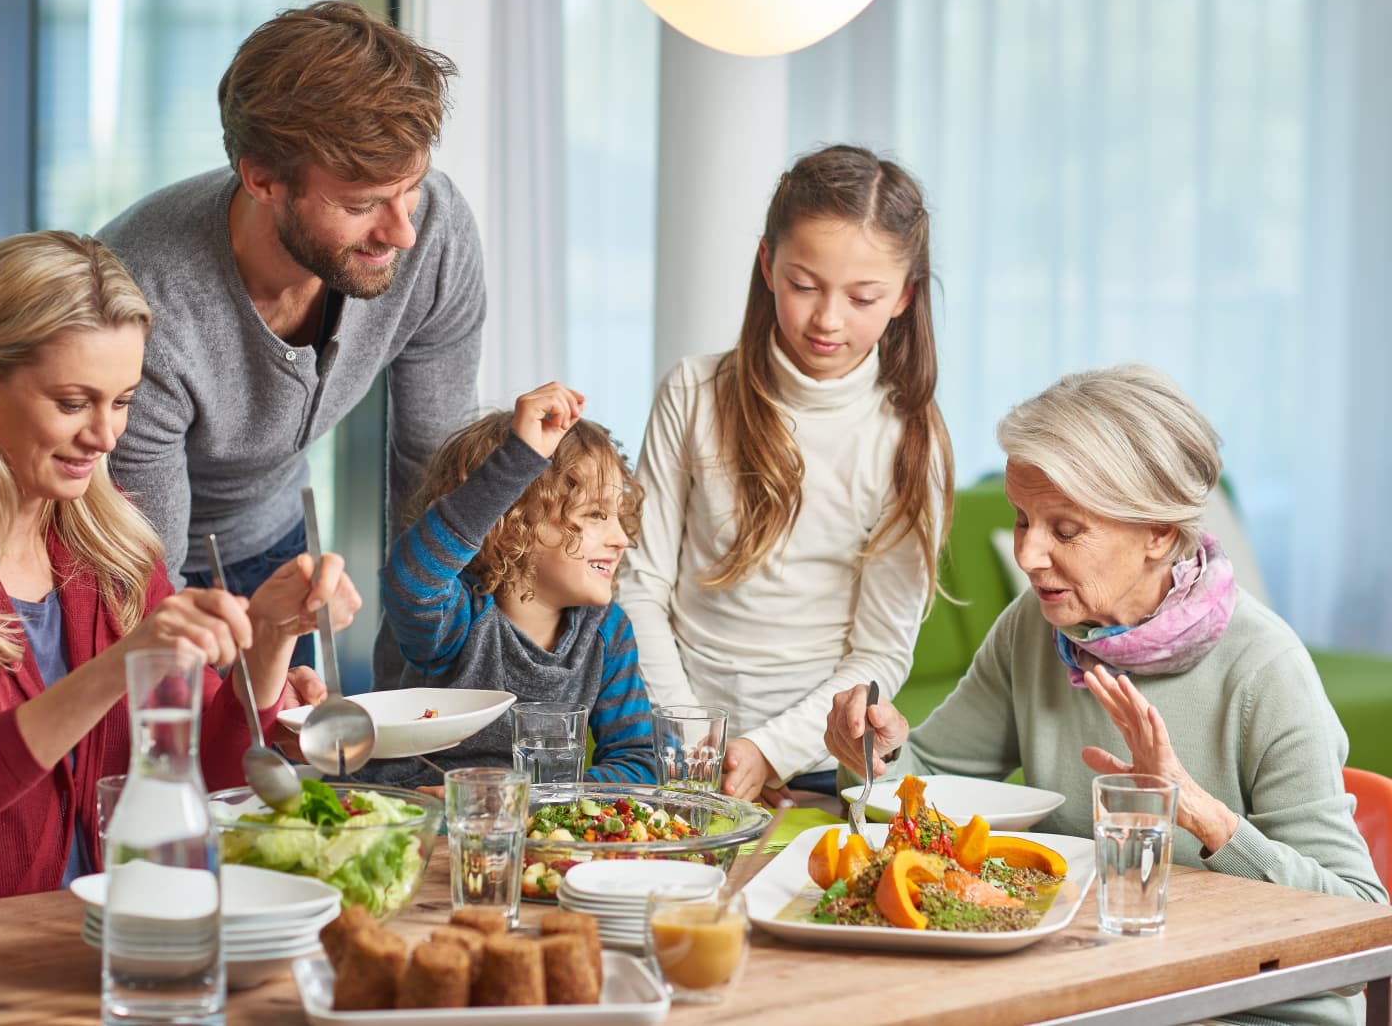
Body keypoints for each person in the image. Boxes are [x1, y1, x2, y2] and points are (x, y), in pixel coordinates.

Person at [0, 231, 360, 920]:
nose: (106, 435)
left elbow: (201, 774)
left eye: (121, 400)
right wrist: (121, 667)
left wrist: (269, 639)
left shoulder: (111, 537)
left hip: (102, 943)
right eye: (73, 403)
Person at [825, 364, 1385, 1026]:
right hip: (1088, 990)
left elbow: (1361, 913)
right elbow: (934, 782)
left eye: (1064, 530)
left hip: (1248, 1008)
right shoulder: (1033, 631)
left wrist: (1198, 812)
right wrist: (878, 756)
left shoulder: (1267, 669)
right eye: (1022, 519)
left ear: (1155, 532)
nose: (1029, 553)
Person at [98, 0, 484, 675]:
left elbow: (433, 479)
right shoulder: (144, 300)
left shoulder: (436, 234)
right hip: (125, 566)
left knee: (287, 768)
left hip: (274, 542)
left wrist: (417, 707)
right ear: (263, 179)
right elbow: (144, 579)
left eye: (411, 189)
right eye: (362, 205)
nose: (403, 233)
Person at [619, 145, 952, 804]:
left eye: (863, 297)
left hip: (816, 765)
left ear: (904, 296)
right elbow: (639, 584)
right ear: (768, 266)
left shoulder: (909, 439)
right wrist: (695, 741)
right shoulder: (694, 391)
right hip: (673, 750)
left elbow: (882, 651)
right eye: (804, 286)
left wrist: (768, 751)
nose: (828, 319)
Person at [367, 382, 659, 789]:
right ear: (506, 529)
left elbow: (638, 760)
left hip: (529, 830)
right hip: (420, 822)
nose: (621, 539)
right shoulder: (456, 622)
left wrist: (533, 802)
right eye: (595, 514)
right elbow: (412, 580)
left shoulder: (606, 632)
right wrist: (518, 461)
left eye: (617, 515)